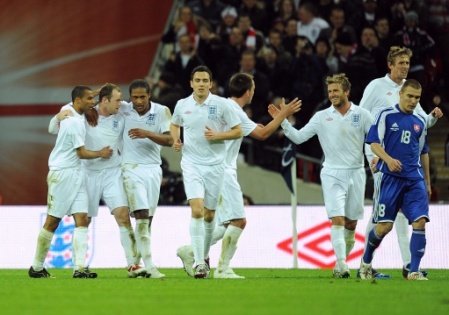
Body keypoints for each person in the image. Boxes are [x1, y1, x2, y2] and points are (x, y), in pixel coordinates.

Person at [176, 72, 301, 279]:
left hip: (218, 169)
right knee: (238, 221)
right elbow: (262, 135)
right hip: (221, 170)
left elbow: (257, 129)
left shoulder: (229, 107)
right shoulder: (231, 108)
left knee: (226, 223)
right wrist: (282, 115)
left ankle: (191, 251)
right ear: (249, 91)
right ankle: (222, 268)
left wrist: (277, 120)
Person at [269, 73, 374, 278]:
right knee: (337, 219)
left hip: (356, 172)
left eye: (336, 91)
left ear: (346, 91)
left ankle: (338, 262)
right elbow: (298, 138)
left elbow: (374, 140)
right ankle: (343, 265)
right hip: (332, 173)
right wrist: (282, 121)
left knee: (351, 223)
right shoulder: (321, 117)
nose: (332, 94)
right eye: (330, 91)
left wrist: (374, 158)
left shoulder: (362, 115)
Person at [359, 46, 443, 278]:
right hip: (380, 155)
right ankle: (365, 264)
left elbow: (421, 124)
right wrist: (372, 153)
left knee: (402, 216)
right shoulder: (376, 87)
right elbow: (363, 116)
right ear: (390, 65)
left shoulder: (410, 91)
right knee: (382, 214)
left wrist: (433, 118)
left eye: (407, 62)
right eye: (401, 63)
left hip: (405, 160)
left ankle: (408, 265)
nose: (405, 66)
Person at [28, 86, 113, 278]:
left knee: (82, 219)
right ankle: (36, 266)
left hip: (77, 173)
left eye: (94, 98)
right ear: (78, 101)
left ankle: (80, 268)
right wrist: (101, 153)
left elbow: (51, 129)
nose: (93, 102)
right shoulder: (73, 122)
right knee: (52, 221)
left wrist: (95, 91)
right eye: (89, 99)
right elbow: (81, 153)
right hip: (62, 174)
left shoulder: (69, 109)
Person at [170, 65, 242, 279]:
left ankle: (204, 256)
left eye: (205, 81)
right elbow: (174, 124)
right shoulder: (182, 104)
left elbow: (238, 131)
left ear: (211, 84)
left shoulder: (221, 105)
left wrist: (219, 136)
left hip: (215, 165)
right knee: (197, 210)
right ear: (191, 83)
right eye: (197, 80)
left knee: (210, 215)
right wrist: (176, 138)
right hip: (191, 163)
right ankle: (200, 263)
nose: (201, 84)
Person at [120, 79, 174, 278]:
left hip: (153, 169)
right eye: (135, 97)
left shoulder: (162, 111)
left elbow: (170, 140)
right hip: (130, 168)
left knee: (147, 221)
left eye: (142, 97)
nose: (139, 101)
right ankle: (150, 266)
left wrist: (147, 133)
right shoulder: (123, 109)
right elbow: (100, 103)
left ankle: (134, 264)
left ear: (150, 95)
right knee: (141, 216)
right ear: (130, 97)